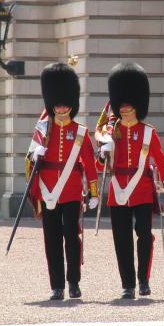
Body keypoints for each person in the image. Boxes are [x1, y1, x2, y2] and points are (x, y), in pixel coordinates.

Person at [97, 62, 164, 299]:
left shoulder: (147, 132)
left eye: (129, 104)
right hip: (118, 189)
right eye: (121, 104)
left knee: (144, 235)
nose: (124, 108)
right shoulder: (110, 133)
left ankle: (143, 280)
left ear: (137, 105)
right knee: (121, 239)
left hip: (142, 189)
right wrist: (103, 153)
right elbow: (99, 166)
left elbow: (160, 161)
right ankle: (128, 284)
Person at [27, 62, 99, 301]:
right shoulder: (43, 130)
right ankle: (56, 285)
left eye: (64, 103)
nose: (60, 107)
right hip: (48, 190)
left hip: (70, 191)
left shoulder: (80, 132)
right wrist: (34, 154)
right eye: (56, 103)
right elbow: (31, 159)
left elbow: (90, 165)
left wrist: (94, 193)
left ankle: (74, 282)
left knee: (71, 237)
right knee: (52, 240)